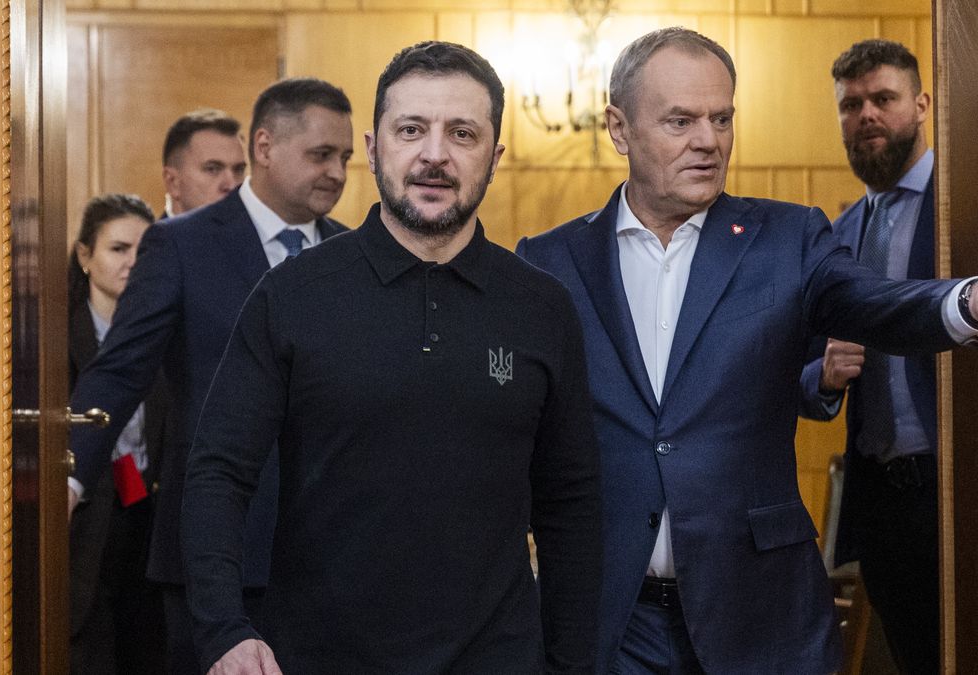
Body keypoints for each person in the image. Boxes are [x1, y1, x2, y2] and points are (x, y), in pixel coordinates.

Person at [515, 27, 978, 673]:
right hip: (609, 618)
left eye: (722, 119)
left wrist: (966, 303)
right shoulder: (550, 262)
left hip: (759, 612)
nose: (708, 140)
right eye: (681, 120)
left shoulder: (787, 237)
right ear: (618, 127)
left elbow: (872, 303)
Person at [181, 41, 602, 675]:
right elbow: (219, 471)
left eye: (462, 133)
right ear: (375, 149)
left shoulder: (542, 306)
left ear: (494, 156)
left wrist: (570, 664)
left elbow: (570, 501)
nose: (435, 154)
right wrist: (223, 630)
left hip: (499, 657)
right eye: (411, 130)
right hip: (319, 656)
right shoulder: (292, 295)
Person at [67, 77, 354, 674]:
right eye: (321, 154)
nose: (337, 172)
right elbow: (120, 370)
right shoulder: (181, 245)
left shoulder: (351, 254)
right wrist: (68, 478)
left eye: (346, 158)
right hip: (216, 549)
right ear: (267, 147)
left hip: (332, 550)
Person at [799, 39, 942, 674]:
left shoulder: (967, 203)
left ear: (922, 104)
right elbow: (806, 364)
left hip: (961, 491)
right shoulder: (842, 231)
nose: (867, 116)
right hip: (882, 502)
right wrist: (822, 377)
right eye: (851, 104)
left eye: (883, 99)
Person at [68, 194, 167, 674]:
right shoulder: (54, 339)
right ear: (85, 256)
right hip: (85, 521)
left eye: (142, 252)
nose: (132, 263)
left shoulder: (167, 332)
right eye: (117, 249)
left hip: (148, 513)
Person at [160, 108, 247, 217]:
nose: (232, 185)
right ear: (173, 182)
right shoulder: (150, 234)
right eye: (212, 169)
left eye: (238, 170)